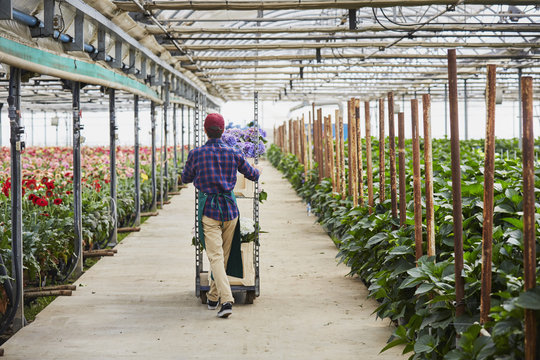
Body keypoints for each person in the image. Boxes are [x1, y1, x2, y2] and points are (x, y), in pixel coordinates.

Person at [181, 113, 260, 318]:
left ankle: (226, 300)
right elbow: (253, 174)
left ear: (205, 131)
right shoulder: (233, 152)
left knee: (215, 257)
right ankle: (214, 297)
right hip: (231, 210)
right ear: (223, 131)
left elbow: (186, 178)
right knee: (222, 258)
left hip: (209, 210)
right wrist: (258, 170)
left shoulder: (196, 154)